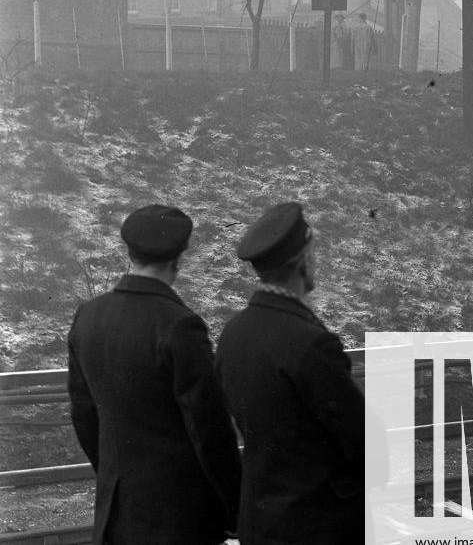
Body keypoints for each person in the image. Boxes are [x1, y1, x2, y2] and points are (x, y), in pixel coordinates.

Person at [67, 205, 241, 545]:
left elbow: (83, 415)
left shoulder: (88, 316)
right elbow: (210, 429)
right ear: (179, 257)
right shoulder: (179, 325)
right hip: (179, 519)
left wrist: (113, 477)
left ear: (129, 251)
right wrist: (235, 509)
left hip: (116, 515)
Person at [216, 202, 365, 545]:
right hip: (316, 527)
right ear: (302, 260)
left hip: (259, 522)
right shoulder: (311, 343)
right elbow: (362, 441)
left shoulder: (233, 334)